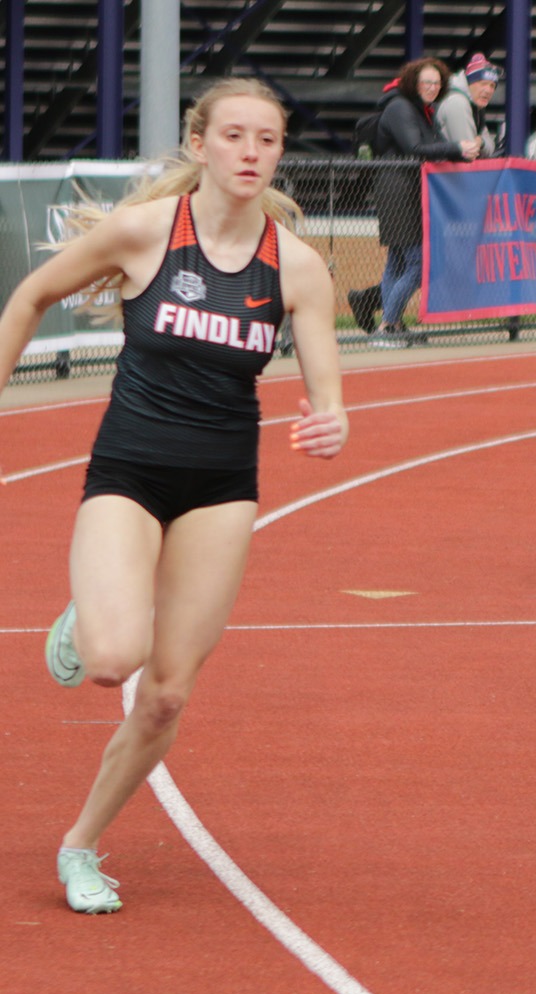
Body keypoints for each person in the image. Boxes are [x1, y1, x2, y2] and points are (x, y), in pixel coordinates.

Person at [0, 78, 348, 914]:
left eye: (266, 140)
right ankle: (94, 611)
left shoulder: (296, 269)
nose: (250, 153)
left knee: (164, 695)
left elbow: (327, 391)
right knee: (113, 660)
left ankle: (80, 845)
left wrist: (332, 422)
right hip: (130, 470)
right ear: (200, 144)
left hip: (222, 488)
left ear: (279, 153)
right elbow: (31, 295)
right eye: (234, 136)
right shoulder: (146, 232)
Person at [351, 58, 478, 347]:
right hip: (399, 191)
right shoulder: (400, 108)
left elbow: (426, 147)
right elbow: (415, 148)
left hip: (404, 189)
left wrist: (459, 152)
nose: (432, 88)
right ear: (413, 82)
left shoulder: (417, 108)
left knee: (396, 261)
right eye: (426, 83)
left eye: (436, 83)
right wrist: (458, 148)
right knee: (417, 263)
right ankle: (387, 326)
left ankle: (392, 325)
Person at [438, 53, 500, 159]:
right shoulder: (457, 102)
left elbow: (490, 146)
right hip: (447, 172)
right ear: (469, 83)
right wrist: (481, 142)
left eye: (492, 86)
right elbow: (469, 154)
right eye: (483, 84)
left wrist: (481, 141)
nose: (488, 90)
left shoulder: (476, 106)